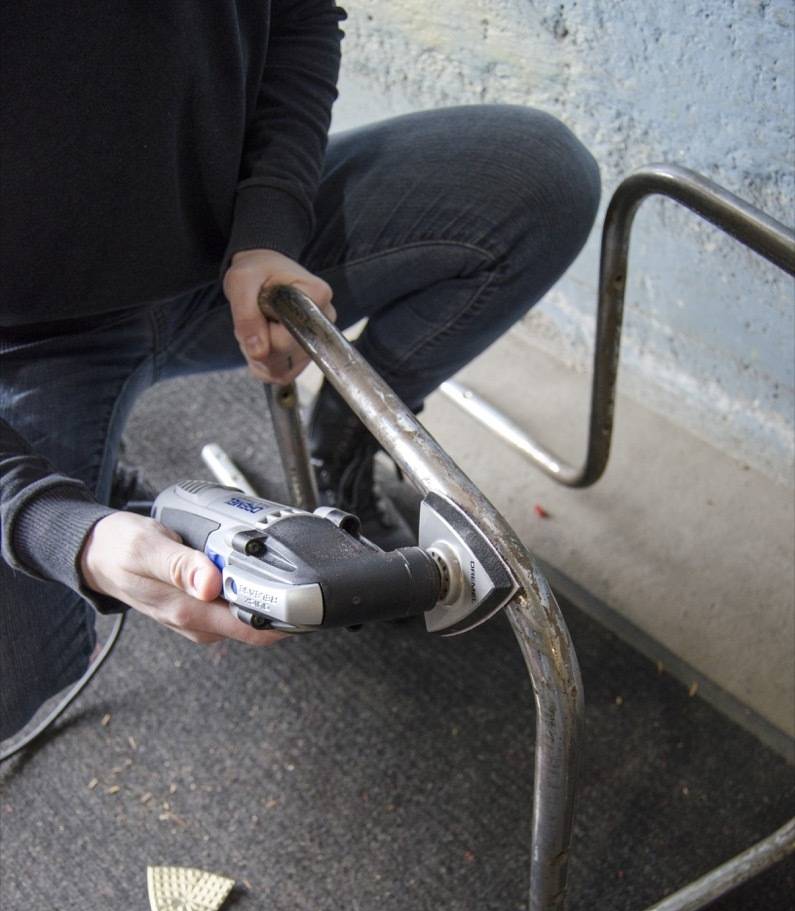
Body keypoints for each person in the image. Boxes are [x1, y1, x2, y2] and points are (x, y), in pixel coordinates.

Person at [0, 2, 600, 743]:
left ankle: (342, 447)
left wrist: (269, 230)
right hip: (26, 344)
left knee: (538, 178)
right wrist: (52, 525)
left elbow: (299, 18)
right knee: (19, 670)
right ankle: (99, 487)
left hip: (224, 254)